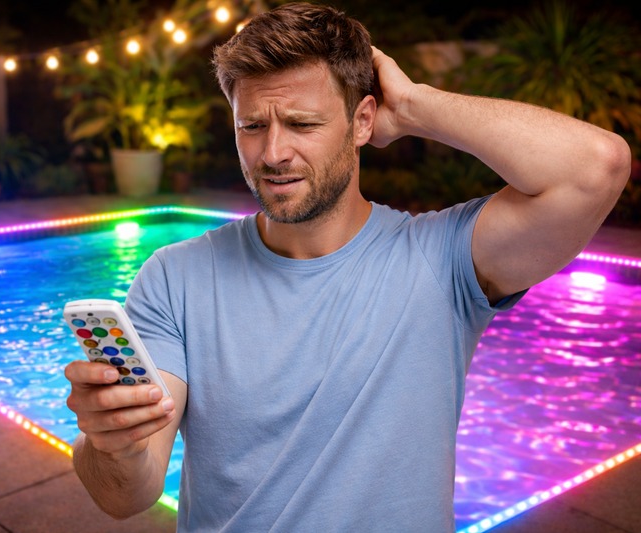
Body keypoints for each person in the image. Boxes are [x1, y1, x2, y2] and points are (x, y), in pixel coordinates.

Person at [64, 3, 630, 531]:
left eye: (303, 124)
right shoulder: (175, 277)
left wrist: (411, 106)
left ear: (363, 123)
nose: (273, 153)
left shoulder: (443, 260)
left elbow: (595, 167)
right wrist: (112, 445)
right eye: (251, 126)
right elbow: (126, 496)